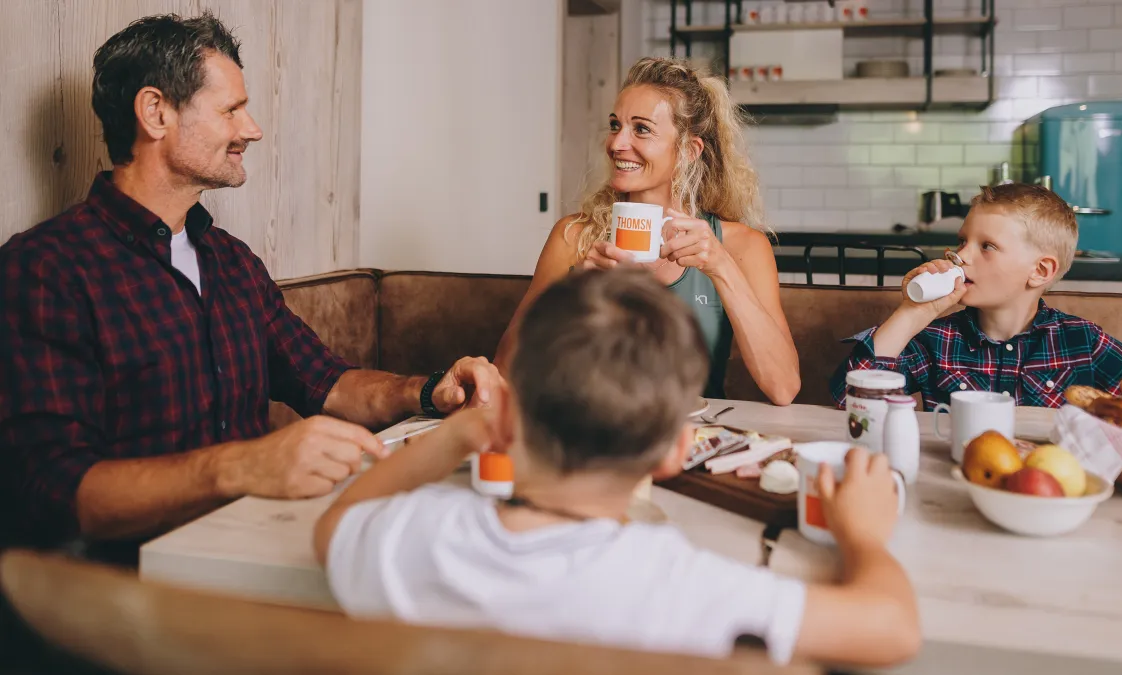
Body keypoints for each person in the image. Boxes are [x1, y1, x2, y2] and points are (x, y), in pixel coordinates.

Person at [0, 13, 502, 562]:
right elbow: (51, 492)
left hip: (254, 551)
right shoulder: (46, 268)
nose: (252, 129)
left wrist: (431, 390)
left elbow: (327, 382)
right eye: (231, 109)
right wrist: (244, 466)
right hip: (125, 595)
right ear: (155, 112)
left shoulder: (232, 262)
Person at [315, 268, 921, 668]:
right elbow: (893, 629)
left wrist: (458, 436)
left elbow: (338, 521)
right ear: (676, 452)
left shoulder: (418, 539)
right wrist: (863, 537)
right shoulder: (682, 586)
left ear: (504, 424)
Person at [493, 57, 799, 406]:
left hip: (696, 439)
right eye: (615, 125)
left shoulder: (743, 246)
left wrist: (721, 266)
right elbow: (504, 368)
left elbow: (783, 386)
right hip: (591, 434)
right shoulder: (574, 236)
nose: (616, 143)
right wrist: (571, 296)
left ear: (688, 150)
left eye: (641, 129)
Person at [830, 183, 1122, 411]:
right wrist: (912, 314)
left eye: (987, 246)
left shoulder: (1080, 342)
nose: (961, 256)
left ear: (1040, 271)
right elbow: (849, 400)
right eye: (963, 241)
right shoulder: (936, 341)